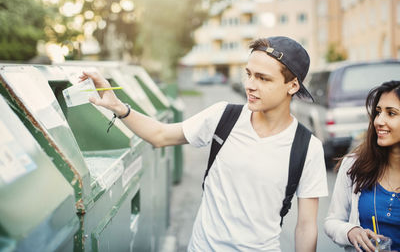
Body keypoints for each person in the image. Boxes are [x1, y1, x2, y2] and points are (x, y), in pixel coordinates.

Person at [81, 36, 328, 251]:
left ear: (293, 85)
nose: (250, 85)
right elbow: (159, 135)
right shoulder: (223, 117)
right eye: (249, 74)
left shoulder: (307, 148)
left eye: (263, 79)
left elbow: (306, 227)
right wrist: (118, 107)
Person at [324, 80, 400, 252]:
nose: (379, 121)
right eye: (378, 112)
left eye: (392, 113)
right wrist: (351, 231)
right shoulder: (354, 164)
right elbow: (332, 221)